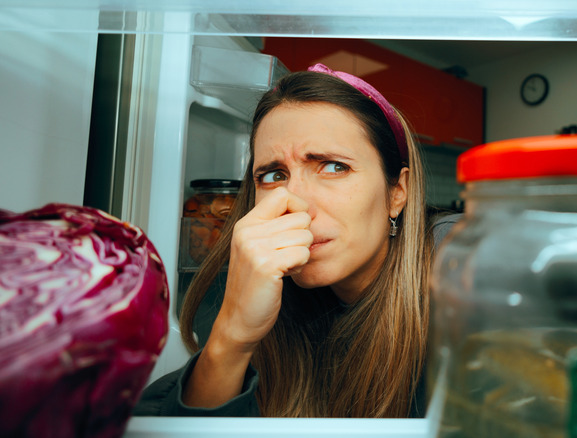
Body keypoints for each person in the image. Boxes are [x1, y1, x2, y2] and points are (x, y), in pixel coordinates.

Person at [134, 63, 456, 418]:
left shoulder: (462, 268)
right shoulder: (266, 290)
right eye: (273, 175)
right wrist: (232, 337)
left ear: (398, 191)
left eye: (334, 167)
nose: (295, 204)